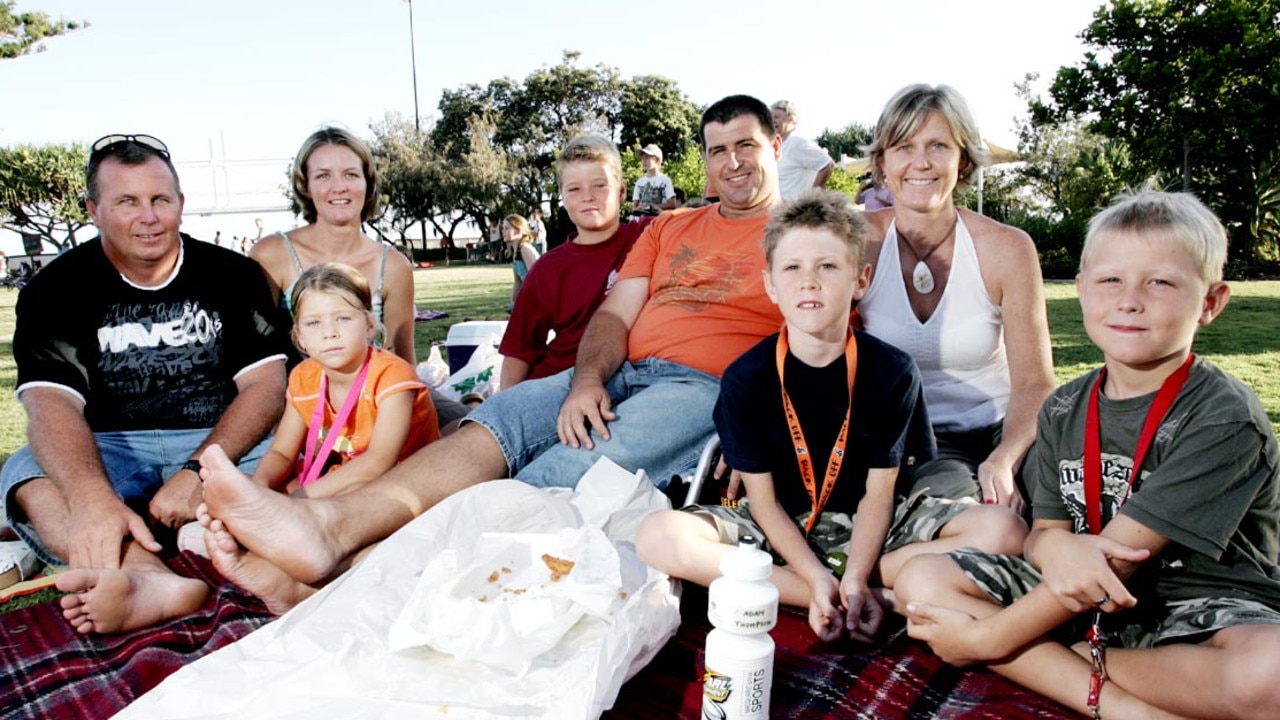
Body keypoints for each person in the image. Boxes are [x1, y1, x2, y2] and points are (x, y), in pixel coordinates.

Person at [195, 94, 789, 605]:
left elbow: (827, 335)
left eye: (746, 145)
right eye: (717, 150)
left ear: (775, 147)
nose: (731, 162)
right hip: (622, 368)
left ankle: (351, 571)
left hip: (707, 386)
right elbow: (614, 314)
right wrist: (586, 382)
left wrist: (759, 419)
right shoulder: (669, 228)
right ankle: (327, 525)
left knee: (564, 468)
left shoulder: (802, 228)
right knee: (495, 422)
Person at [898, 189, 1280, 720]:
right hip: (1076, 599)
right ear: (1081, 291)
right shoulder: (1063, 409)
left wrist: (984, 642)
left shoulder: (1223, 417)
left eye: (1161, 282)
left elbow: (1116, 563)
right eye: (1110, 280)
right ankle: (1125, 703)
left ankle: (1061, 665)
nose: (1129, 300)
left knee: (1271, 674)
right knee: (923, 580)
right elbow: (1046, 533)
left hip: (1197, 612)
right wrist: (1050, 548)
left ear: (1211, 302)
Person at [636, 190, 1025, 642]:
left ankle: (857, 586)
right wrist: (817, 578)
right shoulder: (746, 377)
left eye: (827, 266)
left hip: (873, 530)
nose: (809, 282)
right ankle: (831, 593)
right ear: (770, 285)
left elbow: (879, 497)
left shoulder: (891, 371)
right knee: (657, 535)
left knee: (1004, 531)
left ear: (860, 281)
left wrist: (857, 572)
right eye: (793, 268)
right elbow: (762, 503)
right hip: (778, 527)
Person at [0, 133, 292, 633]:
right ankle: (145, 576)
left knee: (302, 457)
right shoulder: (55, 289)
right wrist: (92, 497)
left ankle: (196, 544)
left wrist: (198, 470)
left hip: (217, 440)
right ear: (93, 209)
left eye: (160, 199)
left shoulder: (234, 275)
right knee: (29, 476)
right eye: (126, 202)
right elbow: (51, 406)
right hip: (110, 444)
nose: (148, 216)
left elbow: (266, 387)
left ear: (181, 203)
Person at [857, 84, 1055, 512]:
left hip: (1007, 426)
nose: (920, 162)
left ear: (962, 158)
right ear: (882, 161)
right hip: (916, 439)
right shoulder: (856, 241)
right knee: (966, 517)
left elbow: (1035, 382)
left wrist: (1004, 459)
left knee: (1063, 503)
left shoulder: (1008, 248)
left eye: (938, 146)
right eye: (903, 146)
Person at [248, 127, 468, 431]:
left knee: (472, 432)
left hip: (381, 394)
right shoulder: (273, 254)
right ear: (306, 186)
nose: (338, 187)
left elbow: (402, 360)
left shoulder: (393, 265)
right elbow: (255, 356)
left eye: (350, 174)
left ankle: (472, 406)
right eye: (323, 176)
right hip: (304, 404)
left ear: (367, 184)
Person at [251, 263, 439, 499]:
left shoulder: (392, 375)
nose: (329, 332)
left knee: (341, 495)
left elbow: (378, 462)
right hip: (349, 473)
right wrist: (258, 488)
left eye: (343, 318)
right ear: (299, 337)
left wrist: (298, 501)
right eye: (313, 323)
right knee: (268, 487)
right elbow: (281, 453)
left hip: (405, 478)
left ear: (369, 326)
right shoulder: (303, 377)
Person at [499, 135, 652, 389]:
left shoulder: (650, 235)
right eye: (574, 189)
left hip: (633, 379)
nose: (588, 196)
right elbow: (520, 348)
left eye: (600, 185)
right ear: (562, 196)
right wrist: (505, 408)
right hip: (560, 382)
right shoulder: (548, 268)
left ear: (622, 190)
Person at [771, 100, 834, 200]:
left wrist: (812, 197)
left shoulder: (798, 142)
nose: (772, 121)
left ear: (790, 119)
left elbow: (827, 164)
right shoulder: (778, 146)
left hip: (799, 211)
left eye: (776, 117)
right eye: (770, 118)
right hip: (782, 210)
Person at [503, 213, 541, 309]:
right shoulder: (516, 251)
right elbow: (518, 282)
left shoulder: (525, 249)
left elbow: (535, 279)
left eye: (507, 228)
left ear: (518, 231)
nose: (503, 231)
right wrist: (513, 302)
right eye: (503, 228)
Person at [631, 143, 677, 214]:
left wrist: (651, 207)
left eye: (646, 157)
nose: (643, 161)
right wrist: (638, 209)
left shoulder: (665, 180)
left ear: (657, 160)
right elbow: (634, 206)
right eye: (642, 158)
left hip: (659, 220)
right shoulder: (639, 182)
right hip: (642, 221)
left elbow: (672, 204)